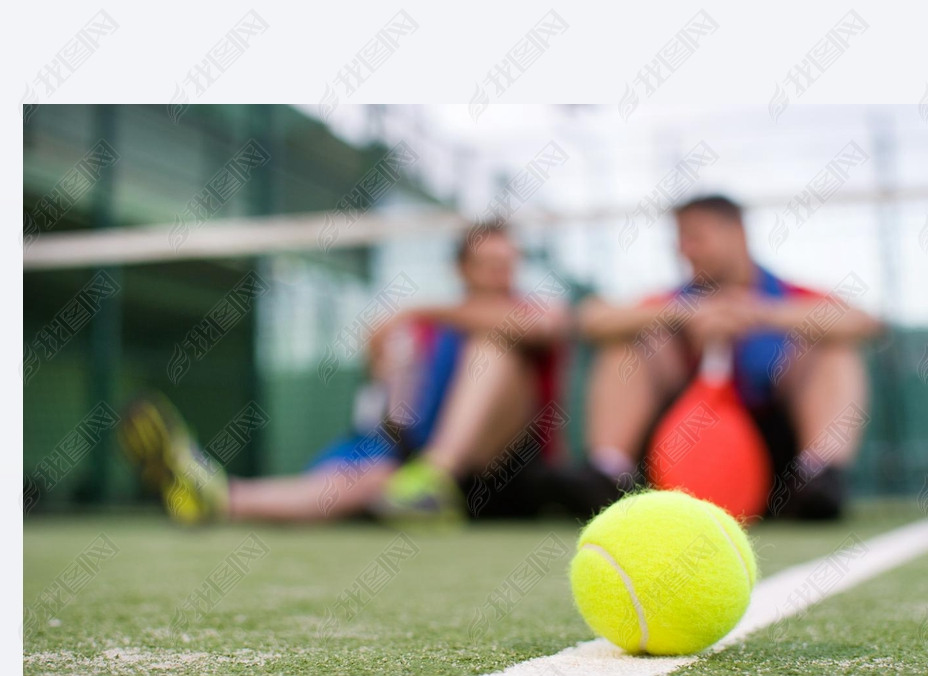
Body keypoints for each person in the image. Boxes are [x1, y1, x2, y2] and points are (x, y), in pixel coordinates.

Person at [118, 223, 573, 526]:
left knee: (494, 343)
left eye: (507, 263)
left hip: (508, 475)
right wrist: (390, 368)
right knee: (372, 474)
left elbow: (543, 326)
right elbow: (393, 410)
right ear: (462, 269)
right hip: (432, 487)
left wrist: (417, 309)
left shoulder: (528, 310)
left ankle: (434, 478)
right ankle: (214, 495)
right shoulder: (425, 336)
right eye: (489, 264)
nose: (500, 273)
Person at [578, 194, 883, 520]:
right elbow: (592, 319)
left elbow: (864, 321)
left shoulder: (784, 296)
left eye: (695, 237)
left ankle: (818, 477)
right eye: (680, 240)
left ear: (736, 234)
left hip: (777, 451)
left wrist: (757, 314)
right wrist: (685, 314)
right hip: (677, 449)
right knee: (626, 343)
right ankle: (608, 476)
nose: (684, 250)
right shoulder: (673, 301)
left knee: (832, 345)